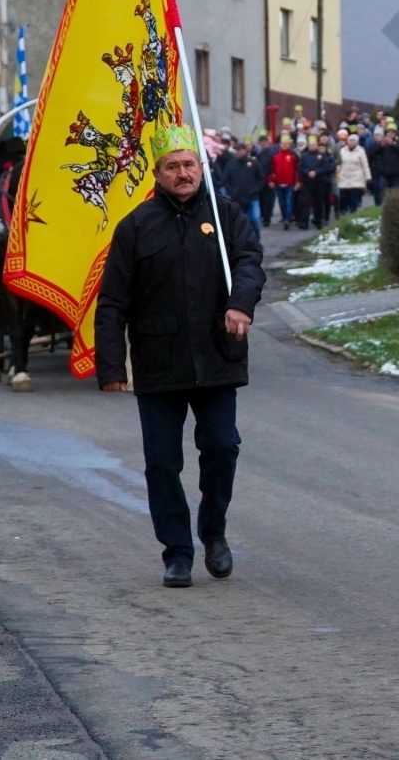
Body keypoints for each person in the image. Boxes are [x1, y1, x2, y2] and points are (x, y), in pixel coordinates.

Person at [95, 125, 266, 588]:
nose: (183, 173)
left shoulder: (226, 215)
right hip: (158, 362)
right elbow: (112, 301)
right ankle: (177, 552)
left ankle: (214, 533)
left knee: (222, 446)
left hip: (216, 356)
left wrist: (240, 304)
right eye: (173, 166)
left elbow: (250, 262)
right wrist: (110, 365)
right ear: (158, 173)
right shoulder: (135, 226)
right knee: (162, 463)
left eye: (190, 164)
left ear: (201, 167)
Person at [224, 141, 267, 235]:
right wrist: (231, 192)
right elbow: (226, 180)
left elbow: (261, 178)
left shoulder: (253, 162)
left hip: (252, 198)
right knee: (240, 224)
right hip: (237, 199)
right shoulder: (231, 164)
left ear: (245, 150)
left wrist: (255, 190)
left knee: (255, 220)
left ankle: (256, 242)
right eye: (236, 150)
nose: (238, 152)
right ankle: (246, 244)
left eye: (239, 150)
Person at [297, 135, 332, 229]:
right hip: (307, 182)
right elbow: (300, 168)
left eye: (314, 145)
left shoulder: (322, 155)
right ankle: (304, 222)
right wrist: (308, 172)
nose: (312, 146)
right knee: (305, 202)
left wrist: (316, 172)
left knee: (318, 203)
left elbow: (326, 167)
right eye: (310, 145)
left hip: (319, 182)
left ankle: (318, 221)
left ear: (317, 145)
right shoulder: (304, 156)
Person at [336, 132, 370, 215]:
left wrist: (368, 177)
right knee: (343, 196)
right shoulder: (342, 150)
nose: (351, 142)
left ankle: (353, 213)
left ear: (357, 142)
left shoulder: (361, 151)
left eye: (353, 141)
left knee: (353, 197)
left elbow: (365, 164)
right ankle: (343, 208)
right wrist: (337, 175)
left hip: (356, 177)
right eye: (350, 140)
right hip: (344, 176)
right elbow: (339, 163)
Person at [269, 135, 298, 229]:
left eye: (286, 144)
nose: (285, 145)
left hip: (289, 184)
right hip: (278, 184)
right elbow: (271, 170)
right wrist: (271, 180)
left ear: (289, 145)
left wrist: (297, 182)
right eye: (283, 144)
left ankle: (287, 219)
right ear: (280, 145)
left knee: (288, 201)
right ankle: (285, 217)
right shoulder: (275, 157)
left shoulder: (292, 157)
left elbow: (297, 170)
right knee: (282, 203)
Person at [368, 131, 399, 206]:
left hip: (396, 172)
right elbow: (373, 153)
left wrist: (392, 144)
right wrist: (382, 145)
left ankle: (397, 205)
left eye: (392, 133)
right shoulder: (381, 144)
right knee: (384, 191)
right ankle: (385, 205)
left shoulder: (398, 142)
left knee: (397, 191)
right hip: (384, 172)